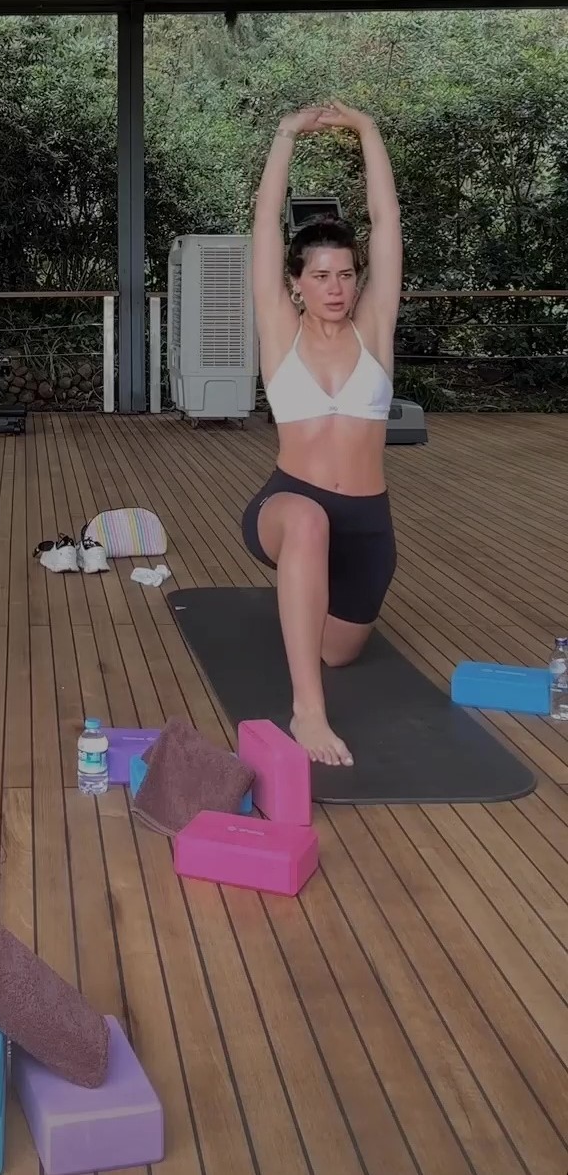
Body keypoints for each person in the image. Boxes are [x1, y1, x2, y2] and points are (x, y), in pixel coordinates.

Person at [242, 100, 403, 768]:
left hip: (367, 526)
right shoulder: (281, 331)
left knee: (336, 651)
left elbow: (386, 220)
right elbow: (264, 226)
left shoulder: (374, 328)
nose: (336, 288)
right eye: (320, 276)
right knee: (308, 522)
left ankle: (306, 605)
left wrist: (367, 129)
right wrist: (286, 133)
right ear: (296, 283)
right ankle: (307, 710)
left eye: (345, 274)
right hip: (291, 503)